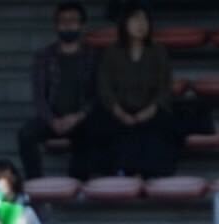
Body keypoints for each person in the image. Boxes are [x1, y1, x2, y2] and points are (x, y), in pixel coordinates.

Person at [88, 4, 176, 179]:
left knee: (157, 126)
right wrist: (119, 112)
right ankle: (119, 171)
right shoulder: (111, 52)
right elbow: (104, 87)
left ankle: (149, 173)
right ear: (124, 24)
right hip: (119, 109)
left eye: (144, 20)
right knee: (104, 124)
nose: (140, 24)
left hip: (150, 109)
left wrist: (149, 111)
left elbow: (165, 87)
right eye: (135, 19)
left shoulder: (158, 51)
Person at [19, 2, 100, 181]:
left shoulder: (93, 57)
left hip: (80, 118)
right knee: (26, 134)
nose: (68, 24)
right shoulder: (44, 57)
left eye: (73, 20)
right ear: (56, 25)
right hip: (52, 118)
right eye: (63, 21)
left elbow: (96, 95)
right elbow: (39, 96)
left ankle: (78, 182)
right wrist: (52, 120)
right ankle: (35, 182)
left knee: (93, 131)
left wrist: (78, 116)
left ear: (82, 25)